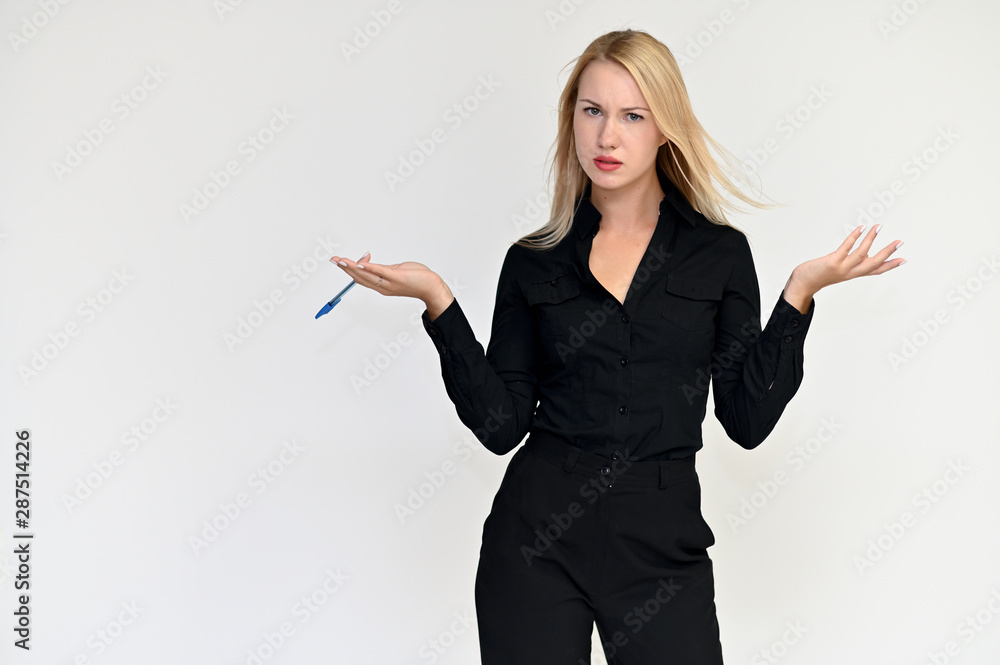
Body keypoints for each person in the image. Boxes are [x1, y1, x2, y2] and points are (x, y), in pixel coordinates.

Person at [330, 28, 904, 665]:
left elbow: (746, 421)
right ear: (570, 120)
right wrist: (437, 301)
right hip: (534, 543)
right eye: (592, 111)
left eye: (633, 116)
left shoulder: (718, 255)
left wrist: (799, 292)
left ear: (665, 129)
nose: (608, 137)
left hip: (662, 546)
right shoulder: (533, 262)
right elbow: (501, 425)